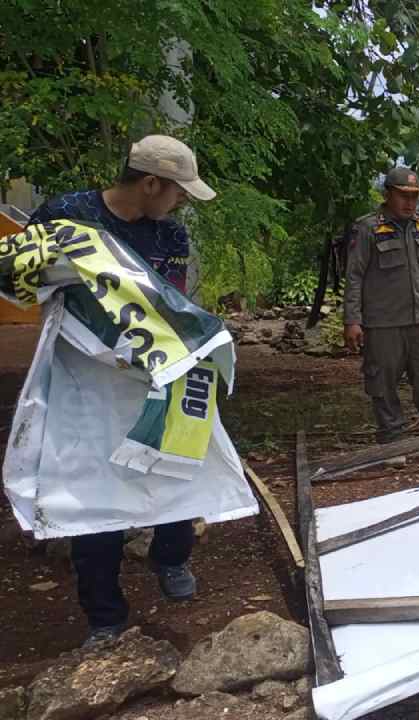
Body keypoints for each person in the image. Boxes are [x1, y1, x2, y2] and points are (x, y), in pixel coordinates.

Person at [26, 134, 217, 647]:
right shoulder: (64, 215)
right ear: (151, 183)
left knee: (176, 462)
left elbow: (170, 305)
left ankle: (171, 556)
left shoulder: (169, 237)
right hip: (83, 376)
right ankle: (104, 615)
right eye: (178, 191)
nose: (180, 202)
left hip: (151, 369)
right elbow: (23, 279)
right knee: (96, 488)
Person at [344, 167, 419, 444]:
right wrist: (352, 320)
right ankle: (392, 442)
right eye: (403, 196)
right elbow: (354, 276)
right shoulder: (369, 228)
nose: (409, 203)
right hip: (383, 324)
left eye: (415, 197)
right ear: (388, 195)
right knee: (383, 383)